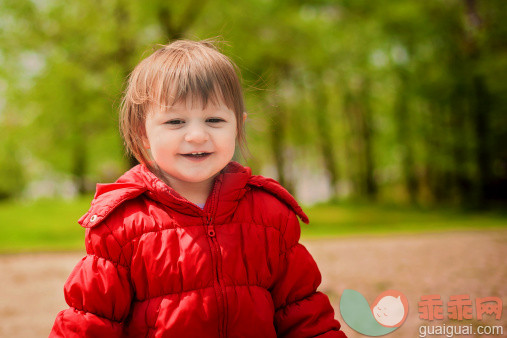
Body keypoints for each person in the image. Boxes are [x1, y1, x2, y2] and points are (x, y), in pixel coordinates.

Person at [50, 39, 347, 337]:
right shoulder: (121, 226)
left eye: (214, 120)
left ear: (238, 126)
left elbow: (304, 313)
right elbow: (89, 322)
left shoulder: (271, 215)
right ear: (143, 132)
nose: (196, 135)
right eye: (175, 121)